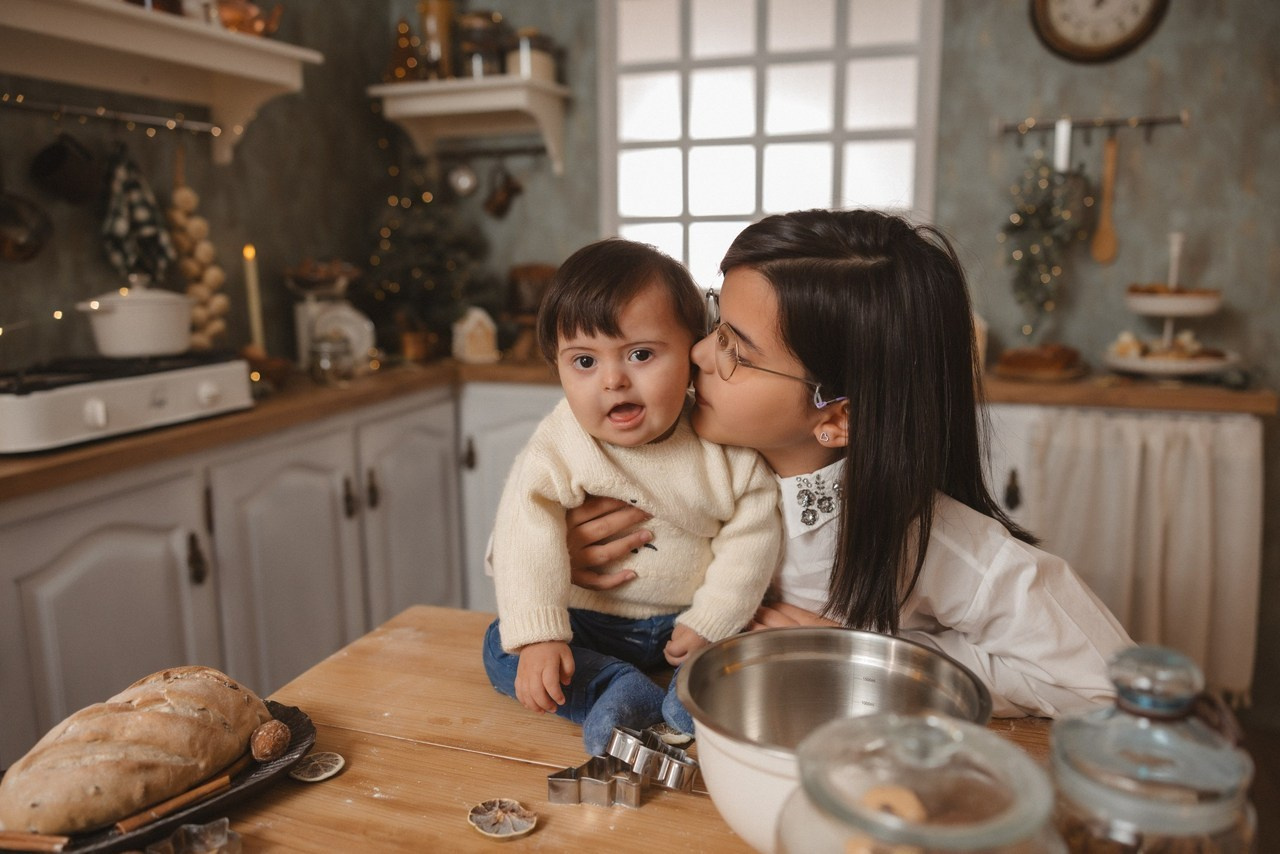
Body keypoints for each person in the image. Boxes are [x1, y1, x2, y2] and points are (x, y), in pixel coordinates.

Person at [566, 209, 1133, 720]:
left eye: (736, 350)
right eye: (717, 322)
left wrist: (871, 658)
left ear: (838, 418)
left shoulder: (916, 534)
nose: (697, 353)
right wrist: (563, 553)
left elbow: (1105, 684)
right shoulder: (668, 443)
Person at [482, 237, 781, 754]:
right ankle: (615, 688)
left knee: (745, 646)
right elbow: (523, 532)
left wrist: (711, 622)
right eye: (584, 361)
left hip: (685, 621)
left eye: (641, 354)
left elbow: (754, 533)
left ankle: (689, 693)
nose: (613, 380)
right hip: (587, 622)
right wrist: (541, 636)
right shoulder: (561, 442)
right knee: (501, 644)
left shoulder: (718, 439)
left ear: (692, 352)